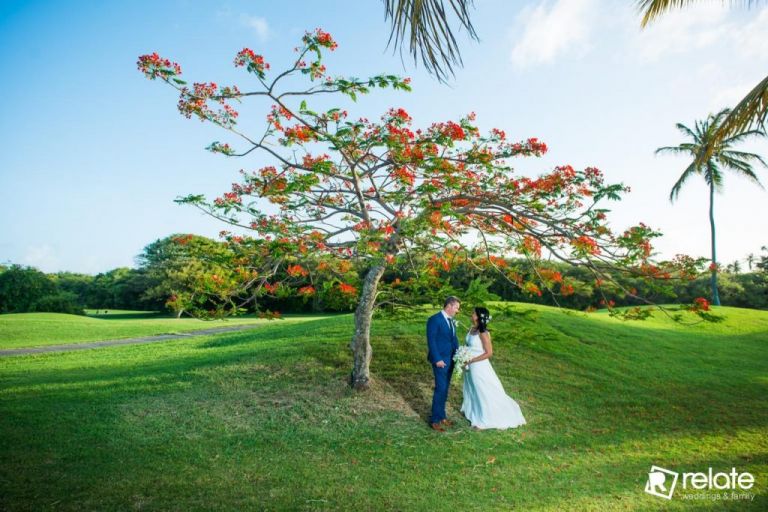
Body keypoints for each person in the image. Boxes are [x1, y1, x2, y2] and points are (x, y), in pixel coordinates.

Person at [460, 307, 526, 430]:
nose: (472, 314)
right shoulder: (472, 329)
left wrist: (472, 360)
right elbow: (468, 345)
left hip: (479, 366)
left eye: (474, 313)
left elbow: (489, 353)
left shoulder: (483, 333)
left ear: (479, 317)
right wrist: (462, 355)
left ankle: (484, 420)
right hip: (469, 365)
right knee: (471, 388)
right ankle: (473, 412)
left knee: (482, 390)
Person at [426, 296, 460, 432]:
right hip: (440, 360)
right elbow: (431, 341)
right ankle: (435, 420)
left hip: (451, 359)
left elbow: (453, 339)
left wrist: (459, 355)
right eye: (457, 307)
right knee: (440, 388)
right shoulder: (434, 320)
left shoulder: (451, 321)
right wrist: (437, 359)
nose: (458, 310)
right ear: (449, 306)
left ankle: (442, 417)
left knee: (445, 389)